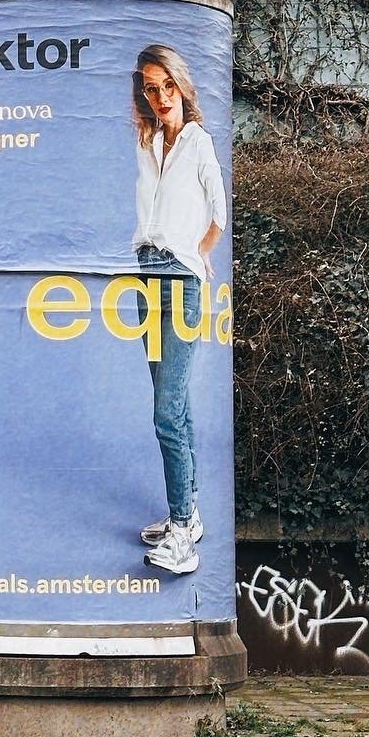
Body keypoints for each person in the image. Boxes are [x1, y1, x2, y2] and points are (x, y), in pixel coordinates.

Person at [129, 43, 226, 577]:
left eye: (167, 86)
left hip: (179, 278)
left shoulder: (198, 142)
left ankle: (183, 533)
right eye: (150, 87)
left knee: (167, 412)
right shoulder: (148, 145)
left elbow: (220, 214)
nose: (160, 96)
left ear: (182, 87)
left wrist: (197, 255)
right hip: (146, 275)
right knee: (176, 403)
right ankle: (186, 515)